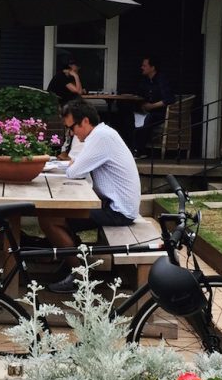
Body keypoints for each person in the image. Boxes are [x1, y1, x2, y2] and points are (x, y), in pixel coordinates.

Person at [39, 99, 140, 293]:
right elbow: (77, 166)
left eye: (72, 127)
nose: (71, 133)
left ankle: (79, 275)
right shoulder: (103, 134)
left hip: (119, 210)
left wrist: (73, 165)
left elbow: (74, 171)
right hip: (113, 204)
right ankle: (72, 259)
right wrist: (74, 165)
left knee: (50, 219)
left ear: (85, 121)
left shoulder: (101, 137)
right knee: (57, 216)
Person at [133, 55, 175, 158]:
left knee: (149, 119)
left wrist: (152, 106)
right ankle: (132, 148)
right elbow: (139, 95)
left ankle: (140, 150)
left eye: (144, 65)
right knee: (130, 118)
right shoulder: (145, 80)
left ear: (152, 67)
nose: (142, 67)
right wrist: (142, 104)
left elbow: (169, 99)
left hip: (161, 113)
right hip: (147, 111)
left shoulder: (161, 80)